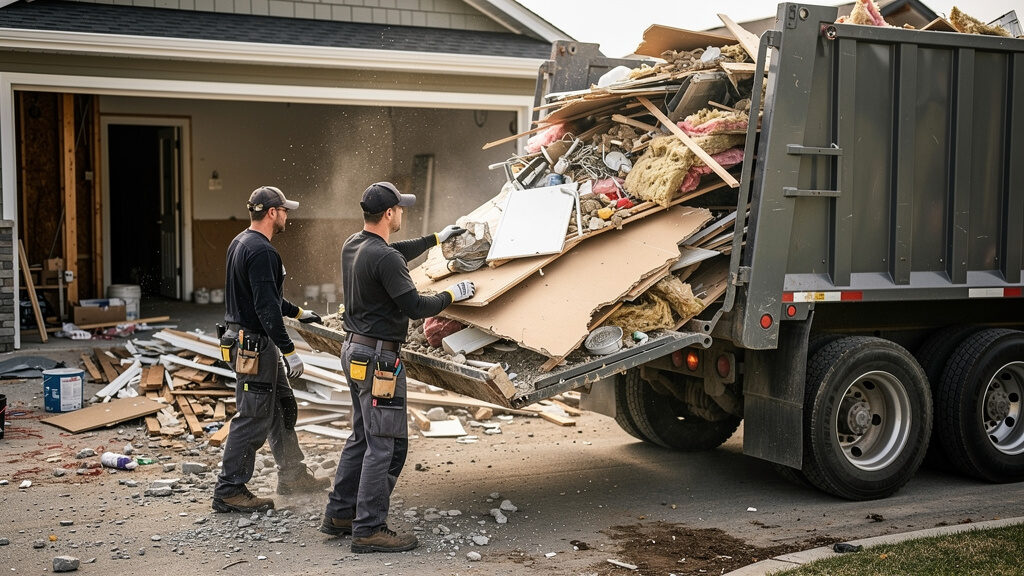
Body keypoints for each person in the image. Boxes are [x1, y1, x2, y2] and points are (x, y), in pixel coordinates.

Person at [320, 181, 475, 553]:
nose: (403, 212)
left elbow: (395, 252)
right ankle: (369, 528)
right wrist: (454, 294)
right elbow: (415, 307)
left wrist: (437, 238)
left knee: (362, 437)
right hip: (380, 362)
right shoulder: (385, 258)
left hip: (355, 352)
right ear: (390, 213)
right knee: (385, 445)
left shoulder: (354, 244)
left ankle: (340, 514)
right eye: (400, 208)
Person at [212, 185, 330, 513]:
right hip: (254, 345)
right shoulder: (263, 251)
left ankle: (293, 475)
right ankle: (229, 489)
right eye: (285, 210)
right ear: (272, 213)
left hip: (249, 340)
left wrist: (297, 312)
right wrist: (290, 349)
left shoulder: (241, 242)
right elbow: (265, 308)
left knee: (282, 407)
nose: (287, 216)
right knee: (253, 416)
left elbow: (266, 297)